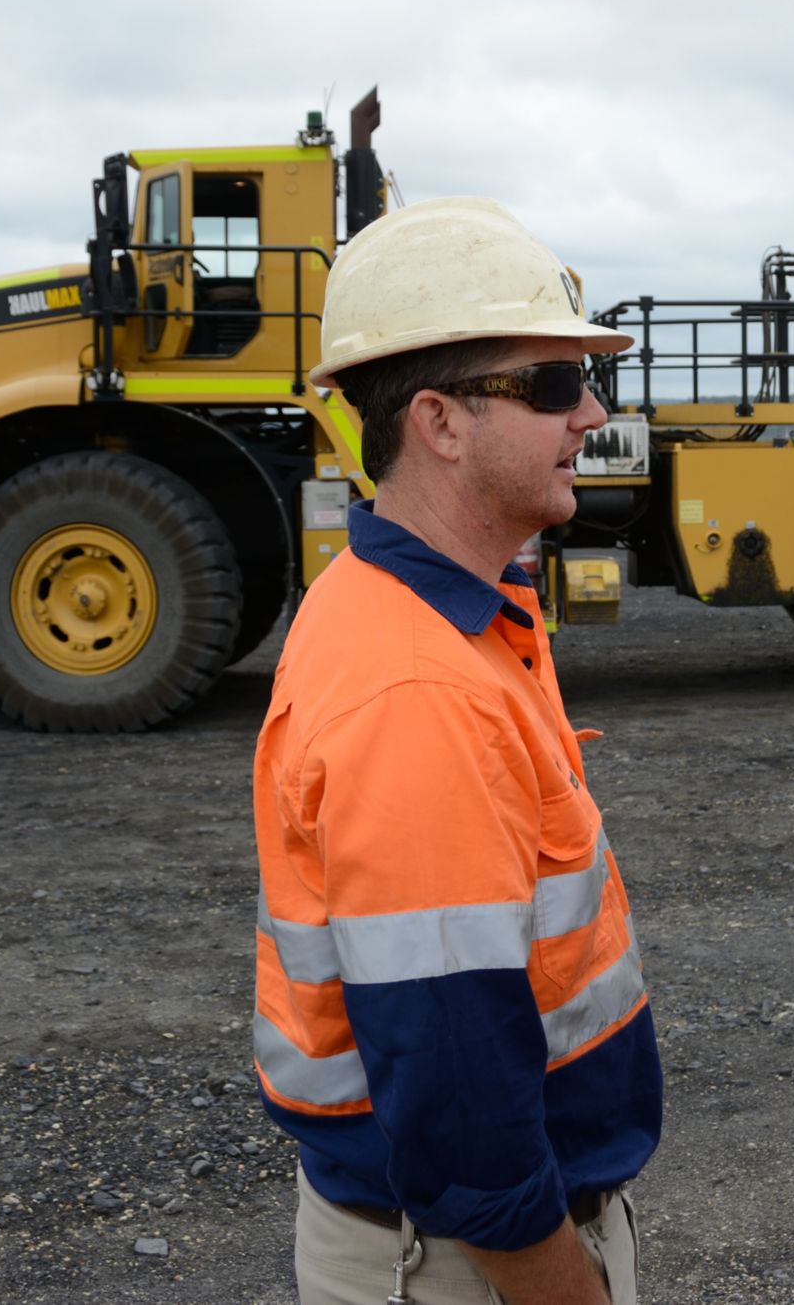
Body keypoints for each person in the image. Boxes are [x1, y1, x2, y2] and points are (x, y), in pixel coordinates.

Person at [252, 196, 661, 1305]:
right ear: (437, 420)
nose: (590, 411)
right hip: (467, 1265)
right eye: (551, 383)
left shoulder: (447, 611)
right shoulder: (418, 687)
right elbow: (456, 1100)